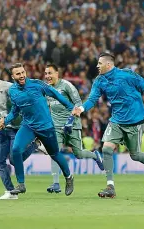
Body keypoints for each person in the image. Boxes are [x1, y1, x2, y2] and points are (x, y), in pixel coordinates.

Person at [71, 52, 144, 198]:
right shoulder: (99, 81)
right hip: (116, 121)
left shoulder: (127, 75)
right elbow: (92, 99)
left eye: (100, 63)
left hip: (135, 120)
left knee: (135, 155)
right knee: (106, 149)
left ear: (108, 64)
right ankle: (110, 186)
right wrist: (81, 109)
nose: (97, 66)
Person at [0, 63, 75, 196]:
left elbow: (56, 95)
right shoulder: (12, 91)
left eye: (22, 72)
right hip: (28, 126)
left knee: (55, 154)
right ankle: (21, 184)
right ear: (12, 76)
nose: (21, 75)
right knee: (15, 149)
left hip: (45, 126)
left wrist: (71, 108)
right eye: (18, 74)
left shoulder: (37, 84)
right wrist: (5, 120)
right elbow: (15, 110)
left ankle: (69, 177)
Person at [0, 64, 40, 200]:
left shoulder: (9, 88)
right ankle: (10, 192)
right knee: (0, 162)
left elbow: (20, 106)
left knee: (14, 160)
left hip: (16, 127)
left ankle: (35, 144)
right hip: (1, 130)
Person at [44, 64, 104, 194]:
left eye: (50, 73)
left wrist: (70, 121)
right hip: (56, 126)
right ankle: (56, 183)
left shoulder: (66, 86)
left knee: (79, 154)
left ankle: (95, 155)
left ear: (57, 73)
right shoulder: (46, 89)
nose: (47, 76)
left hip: (72, 124)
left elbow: (78, 104)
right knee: (54, 152)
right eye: (46, 73)